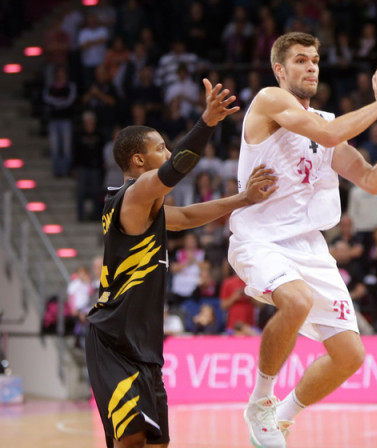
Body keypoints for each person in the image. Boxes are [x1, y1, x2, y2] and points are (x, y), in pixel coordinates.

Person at [226, 32, 377, 448]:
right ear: (280, 69)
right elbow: (327, 135)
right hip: (260, 239)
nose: (311, 67)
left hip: (309, 248)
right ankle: (261, 400)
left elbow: (373, 180)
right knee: (297, 301)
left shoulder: (325, 123)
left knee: (350, 356)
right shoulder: (269, 100)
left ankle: (282, 418)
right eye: (301, 60)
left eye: (316, 60)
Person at [84, 79, 277, 448]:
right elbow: (177, 168)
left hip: (144, 347)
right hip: (114, 340)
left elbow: (186, 217)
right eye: (160, 148)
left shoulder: (147, 209)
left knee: (158, 444)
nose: (168, 151)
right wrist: (207, 122)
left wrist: (243, 198)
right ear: (138, 161)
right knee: (132, 442)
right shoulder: (135, 193)